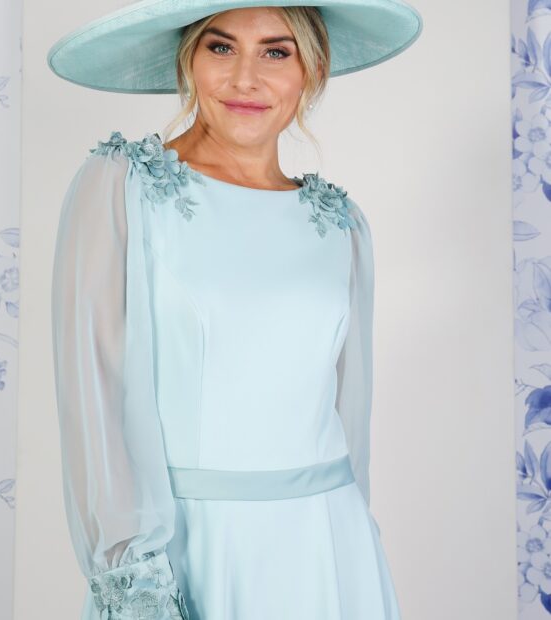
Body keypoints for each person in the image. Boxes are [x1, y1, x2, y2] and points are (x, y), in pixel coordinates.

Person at [47, 2, 423, 619]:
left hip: (327, 546)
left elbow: (349, 416)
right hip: (194, 552)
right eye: (220, 48)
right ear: (188, 61)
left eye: (276, 52)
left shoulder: (341, 224)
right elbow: (95, 394)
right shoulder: (122, 187)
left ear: (313, 69)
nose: (246, 79)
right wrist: (131, 575)